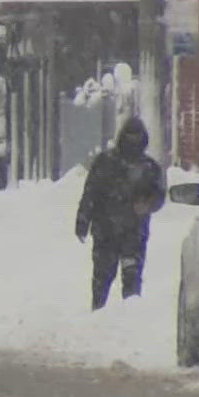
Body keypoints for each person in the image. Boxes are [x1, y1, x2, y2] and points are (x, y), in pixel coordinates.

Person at [74, 116, 167, 310]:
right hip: (105, 232)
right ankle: (98, 314)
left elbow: (159, 196)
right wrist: (83, 220)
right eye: (130, 136)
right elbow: (91, 192)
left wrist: (147, 205)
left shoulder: (149, 167)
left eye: (137, 136)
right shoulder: (106, 162)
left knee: (131, 280)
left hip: (133, 234)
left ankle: (128, 320)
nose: (133, 141)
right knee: (102, 280)